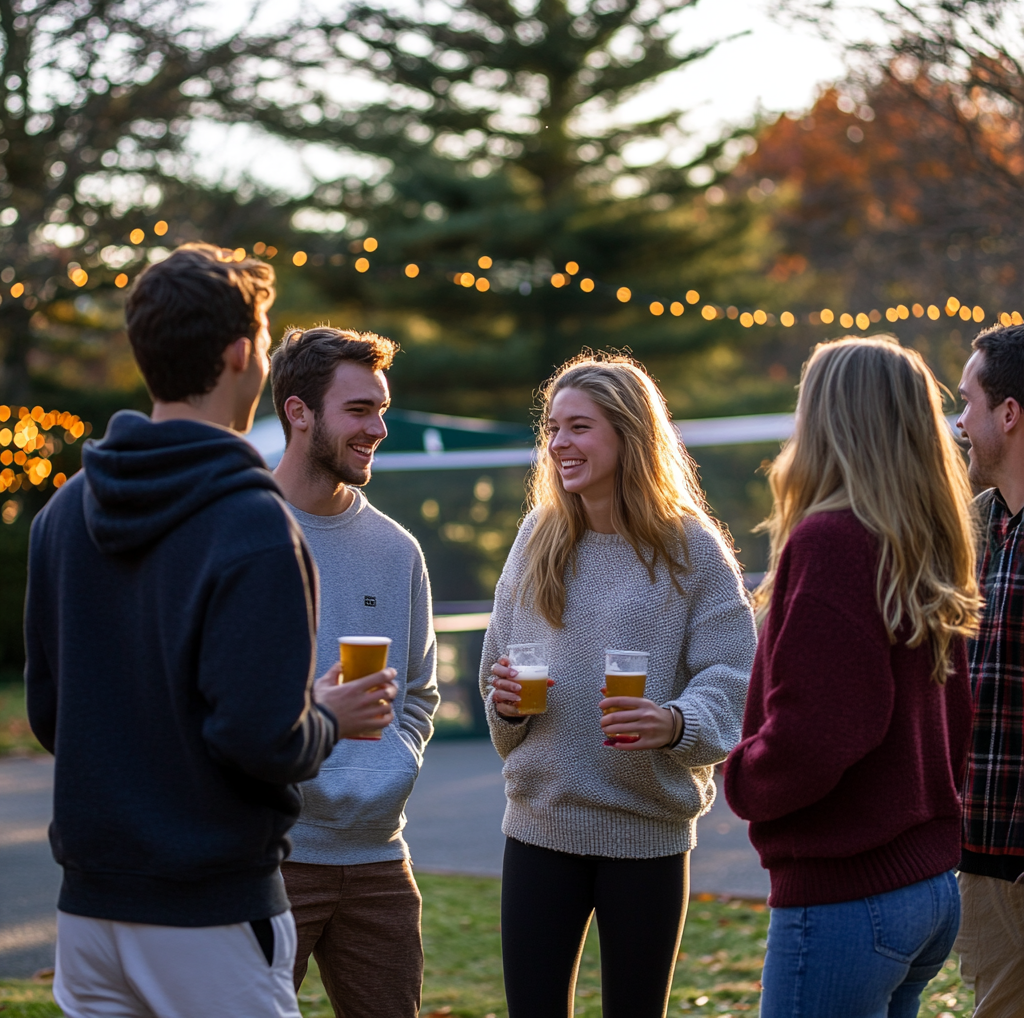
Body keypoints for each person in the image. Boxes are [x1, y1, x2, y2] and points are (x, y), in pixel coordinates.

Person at [24, 245, 397, 1018]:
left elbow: (51, 716)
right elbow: (262, 741)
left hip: (87, 912)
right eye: (262, 341)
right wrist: (330, 714)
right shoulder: (253, 526)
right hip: (210, 914)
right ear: (241, 354)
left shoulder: (62, 513)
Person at [481, 352, 757, 1018]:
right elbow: (500, 661)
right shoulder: (537, 537)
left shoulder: (692, 547)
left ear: (629, 434)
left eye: (578, 427)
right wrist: (508, 704)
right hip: (541, 822)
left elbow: (736, 673)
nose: (558, 445)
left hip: (647, 831)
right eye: (551, 428)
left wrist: (678, 723)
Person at [724, 335, 980, 1018]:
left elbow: (820, 731)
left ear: (830, 420)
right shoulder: (922, 541)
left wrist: (743, 774)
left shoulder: (832, 540)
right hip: (925, 888)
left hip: (848, 895)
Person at [270, 325, 440, 1018]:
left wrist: (389, 767)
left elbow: (420, 694)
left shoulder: (396, 549)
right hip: (271, 859)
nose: (378, 428)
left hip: (379, 859)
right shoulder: (241, 533)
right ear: (299, 412)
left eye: (381, 410)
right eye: (359, 410)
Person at [953, 323, 1024, 1017]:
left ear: (1009, 414)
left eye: (967, 404)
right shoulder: (979, 526)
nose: (960, 423)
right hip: (983, 852)